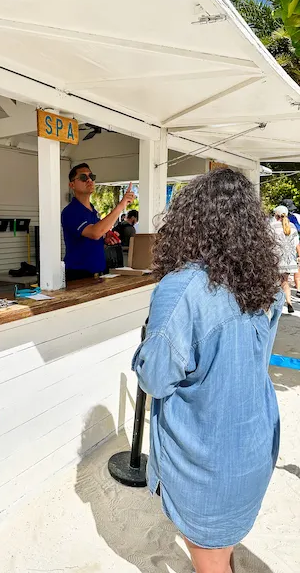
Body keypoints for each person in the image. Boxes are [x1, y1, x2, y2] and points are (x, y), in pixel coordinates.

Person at [132, 168, 283, 573]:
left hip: (206, 457)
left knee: (210, 562)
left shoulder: (182, 288)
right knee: (220, 551)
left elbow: (154, 378)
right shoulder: (266, 283)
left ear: (190, 222)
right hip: (253, 444)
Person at [61, 163, 135, 281]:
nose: (89, 180)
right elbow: (95, 232)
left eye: (92, 177)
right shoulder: (71, 211)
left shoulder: (93, 211)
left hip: (98, 274)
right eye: (83, 177)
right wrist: (121, 205)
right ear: (72, 185)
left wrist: (105, 237)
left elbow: (96, 234)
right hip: (79, 276)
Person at [270, 205, 300, 312]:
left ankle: (273, 305)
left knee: (273, 283)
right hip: (288, 260)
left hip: (275, 259)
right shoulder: (292, 226)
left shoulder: (272, 226)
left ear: (276, 215)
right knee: (285, 282)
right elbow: (297, 243)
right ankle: (289, 303)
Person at [281, 198, 300, 297]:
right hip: (295, 243)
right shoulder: (295, 218)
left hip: (285, 246)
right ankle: (298, 288)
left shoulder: (277, 218)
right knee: (296, 267)